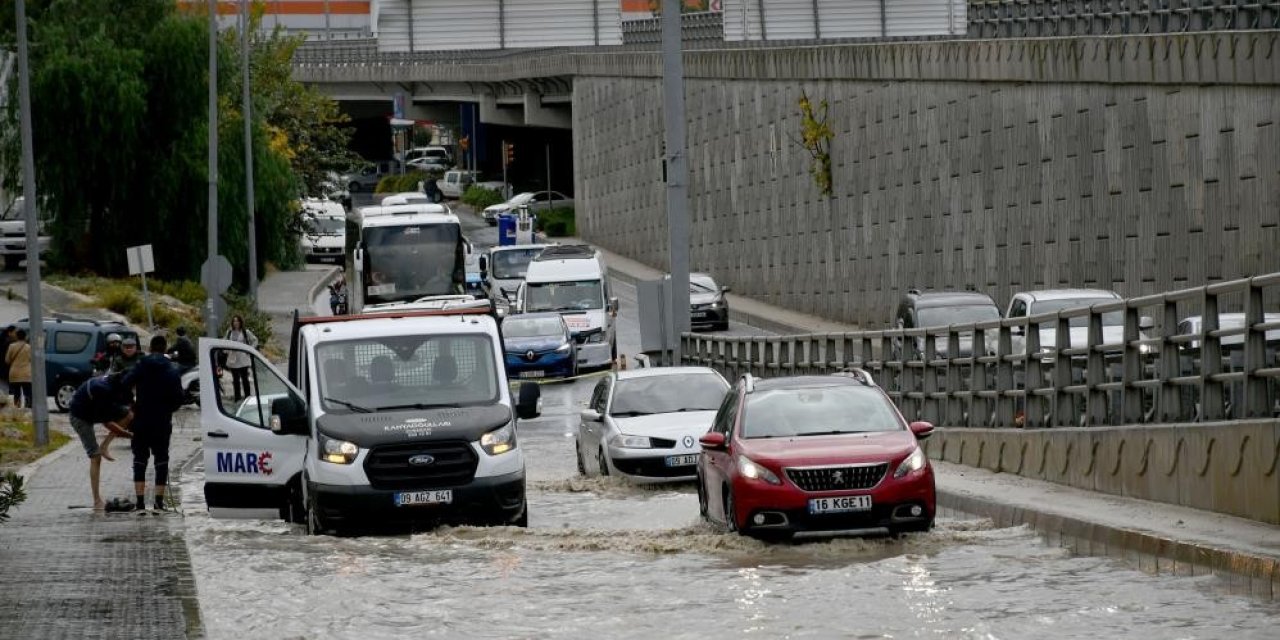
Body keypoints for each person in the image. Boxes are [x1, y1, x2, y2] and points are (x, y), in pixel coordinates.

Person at [121, 335, 184, 512]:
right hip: (162, 421)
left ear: (150, 348)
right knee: (161, 459)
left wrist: (132, 404)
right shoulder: (171, 369)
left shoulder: (141, 365)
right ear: (165, 349)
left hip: (141, 419)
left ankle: (140, 503)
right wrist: (168, 408)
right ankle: (158, 503)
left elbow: (125, 383)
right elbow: (179, 398)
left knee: (140, 459)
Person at [68, 374, 134, 511]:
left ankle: (105, 446)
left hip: (93, 409)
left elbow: (130, 405)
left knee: (129, 415)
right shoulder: (102, 390)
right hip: (80, 417)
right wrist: (129, 435)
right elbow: (107, 423)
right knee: (95, 457)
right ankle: (97, 501)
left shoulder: (116, 383)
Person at [223, 315, 258, 401]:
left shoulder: (246, 332)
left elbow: (255, 340)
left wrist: (250, 349)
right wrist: (226, 350)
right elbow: (224, 342)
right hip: (233, 359)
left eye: (237, 321)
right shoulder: (229, 332)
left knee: (245, 379)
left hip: (243, 359)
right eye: (234, 321)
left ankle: (247, 397)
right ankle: (237, 397)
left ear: (240, 322)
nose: (236, 323)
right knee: (235, 379)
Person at [4, 328, 32, 409]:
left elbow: (7, 360)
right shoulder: (28, 347)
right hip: (26, 374)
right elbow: (31, 359)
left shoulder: (11, 346)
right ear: (25, 337)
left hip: (14, 374)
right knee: (27, 393)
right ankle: (28, 408)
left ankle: (17, 408)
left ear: (17, 336)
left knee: (16, 393)